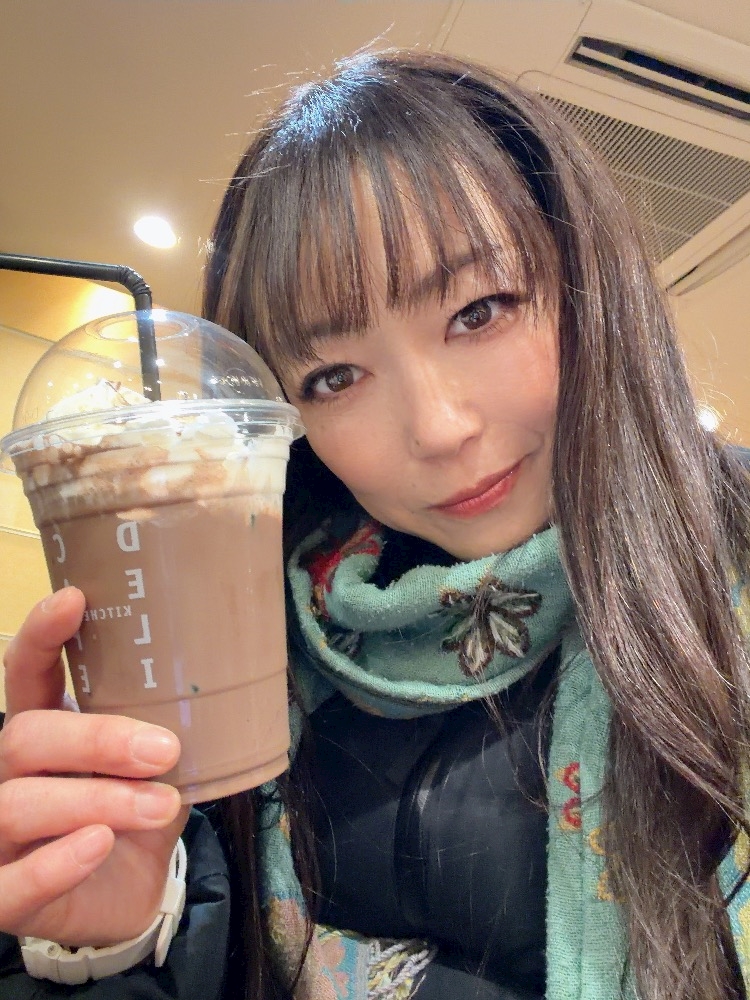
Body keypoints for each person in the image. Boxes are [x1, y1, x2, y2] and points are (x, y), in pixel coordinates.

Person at [1, 48, 750, 1000]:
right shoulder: (241, 673)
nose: (439, 428)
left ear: (584, 284)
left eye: (479, 311)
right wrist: (113, 947)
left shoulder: (730, 557)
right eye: (335, 377)